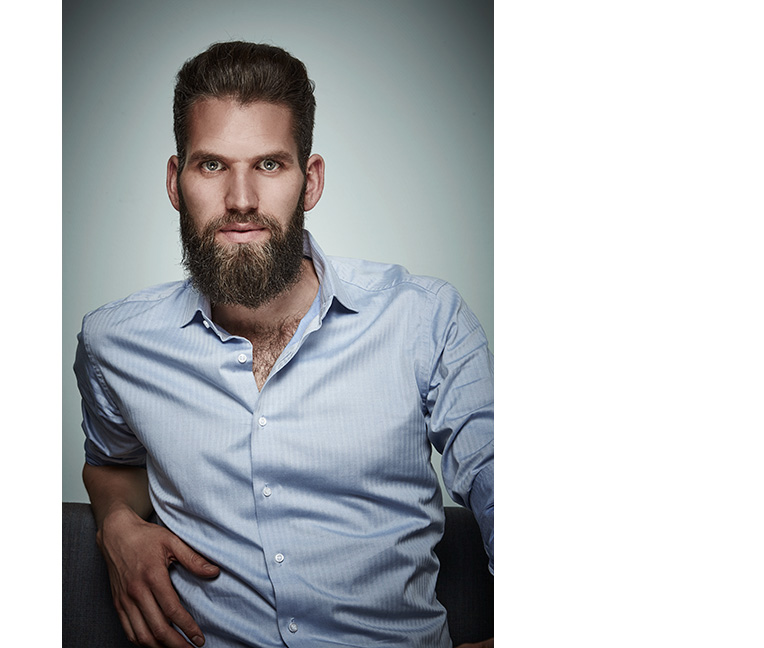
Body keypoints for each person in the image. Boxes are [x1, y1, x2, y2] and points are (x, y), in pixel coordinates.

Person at [75, 41, 494, 648]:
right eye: (212, 165)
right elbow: (111, 464)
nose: (241, 199)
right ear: (175, 181)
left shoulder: (425, 321)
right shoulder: (115, 344)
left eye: (269, 165)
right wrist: (116, 524)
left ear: (310, 180)